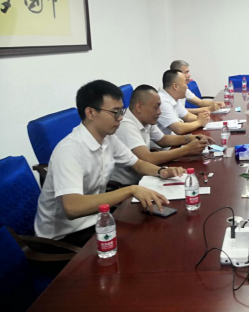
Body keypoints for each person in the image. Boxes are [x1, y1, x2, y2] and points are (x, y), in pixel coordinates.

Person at [34, 80, 184, 245]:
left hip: (98, 217)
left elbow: (137, 163)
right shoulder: (69, 151)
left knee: (156, 228)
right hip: (65, 236)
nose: (121, 118)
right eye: (115, 112)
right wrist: (130, 190)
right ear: (91, 113)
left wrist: (162, 171)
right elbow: (72, 207)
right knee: (145, 241)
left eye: (121, 111)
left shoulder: (108, 139)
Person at [111, 85, 214, 186]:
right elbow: (147, 158)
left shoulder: (145, 119)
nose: (159, 112)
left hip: (145, 176)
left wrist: (189, 138)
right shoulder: (125, 125)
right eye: (156, 107)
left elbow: (163, 139)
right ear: (139, 107)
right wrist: (187, 150)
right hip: (125, 185)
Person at [157, 69, 210, 135]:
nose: (187, 87)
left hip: (175, 137)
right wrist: (199, 122)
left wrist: (203, 118)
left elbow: (187, 116)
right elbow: (179, 129)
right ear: (175, 86)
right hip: (168, 140)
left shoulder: (173, 97)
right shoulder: (162, 101)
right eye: (185, 83)